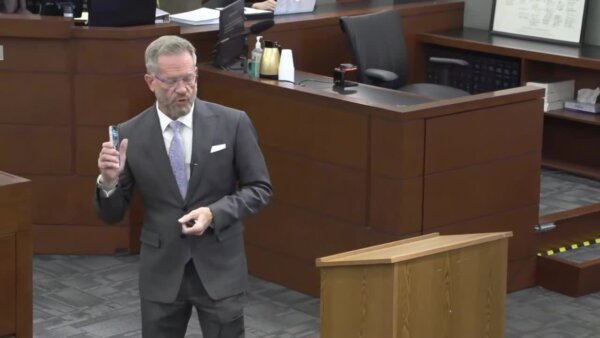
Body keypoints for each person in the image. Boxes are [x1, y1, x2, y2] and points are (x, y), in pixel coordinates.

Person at [94, 35, 272, 338]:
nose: (183, 89)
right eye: (171, 82)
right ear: (150, 81)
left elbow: (259, 189)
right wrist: (108, 181)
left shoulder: (233, 123)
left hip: (219, 267)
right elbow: (111, 215)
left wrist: (214, 213)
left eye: (189, 79)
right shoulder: (128, 134)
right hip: (162, 270)